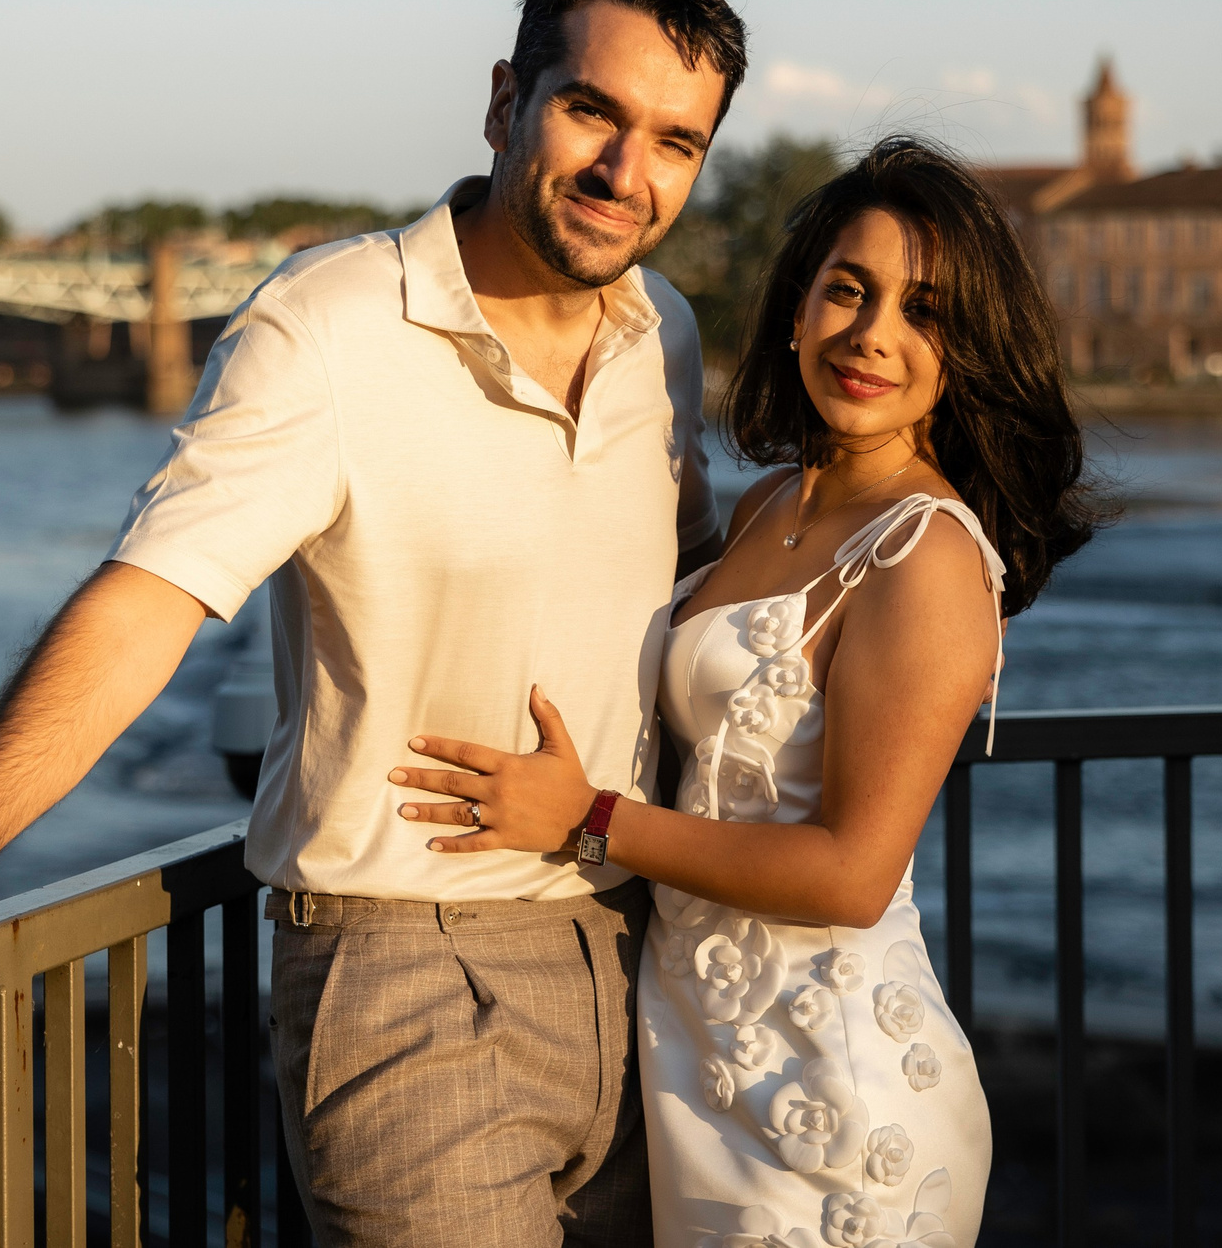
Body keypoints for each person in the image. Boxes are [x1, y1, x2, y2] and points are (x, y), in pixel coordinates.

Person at [0, 0, 749, 1248]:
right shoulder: (329, 327)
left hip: (635, 953)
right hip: (413, 980)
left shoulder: (666, 327)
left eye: (675, 142)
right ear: (505, 101)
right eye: (592, 111)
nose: (625, 171)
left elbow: (697, 566)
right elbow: (143, 605)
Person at [389, 137, 1097, 1248]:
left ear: (967, 353)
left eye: (925, 313)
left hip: (834, 1089)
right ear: (795, 306)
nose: (871, 336)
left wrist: (584, 820)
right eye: (847, 292)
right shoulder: (770, 504)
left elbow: (852, 874)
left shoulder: (923, 555)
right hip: (693, 1060)